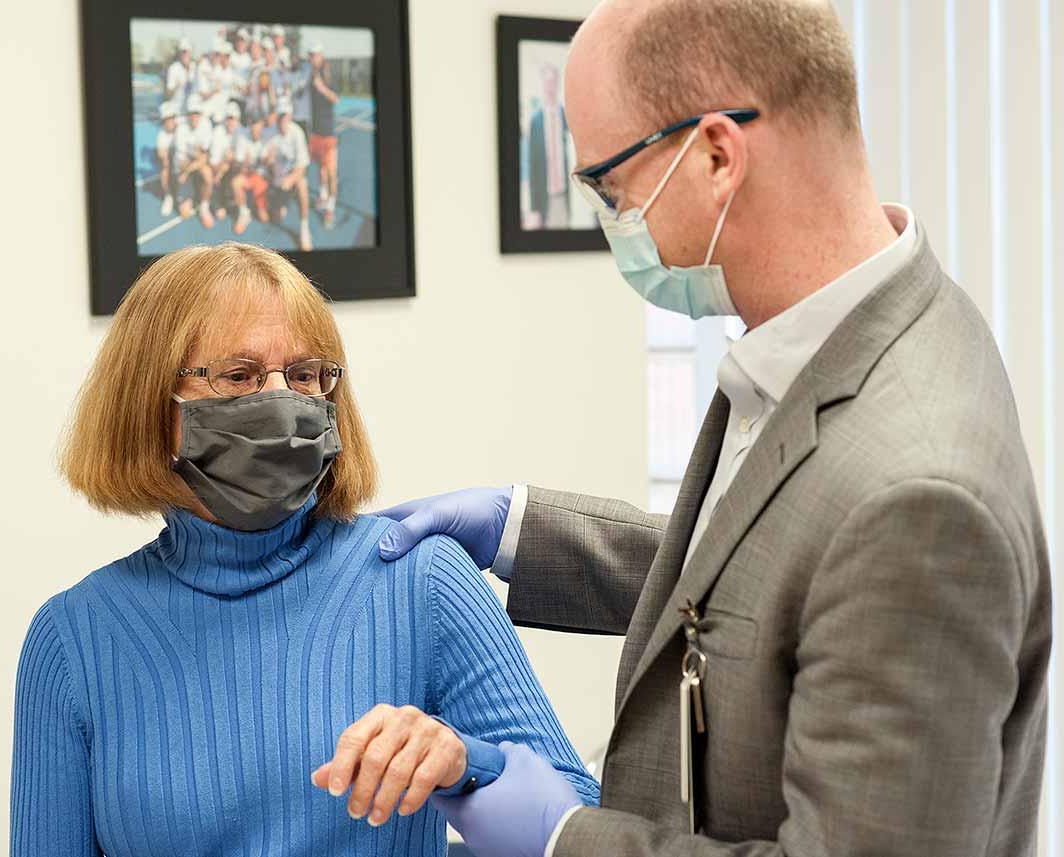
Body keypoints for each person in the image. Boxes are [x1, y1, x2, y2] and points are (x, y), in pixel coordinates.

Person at [369, 1, 1052, 856]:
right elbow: (765, 578)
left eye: (610, 187)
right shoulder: (840, 327)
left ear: (718, 155)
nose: (611, 220)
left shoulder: (920, 495)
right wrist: (520, 527)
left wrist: (563, 837)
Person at [9, 243, 599, 857]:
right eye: (239, 375)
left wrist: (466, 765)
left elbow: (586, 825)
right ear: (153, 407)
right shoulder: (74, 638)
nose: (283, 404)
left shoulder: (420, 579)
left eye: (305, 376)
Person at [525, 62, 571, 230]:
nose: (550, 86)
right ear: (542, 84)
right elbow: (533, 167)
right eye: (547, 82)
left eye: (553, 82)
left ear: (558, 84)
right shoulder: (535, 121)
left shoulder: (567, 116)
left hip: (565, 194)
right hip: (545, 195)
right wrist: (534, 208)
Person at [265, 97, 314, 251]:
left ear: (290, 116)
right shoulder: (270, 133)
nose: (283, 119)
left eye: (285, 116)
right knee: (275, 218)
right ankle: (281, 203)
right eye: (280, 116)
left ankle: (304, 226)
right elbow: (264, 162)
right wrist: (268, 160)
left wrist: (291, 179)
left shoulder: (297, 133)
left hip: (292, 178)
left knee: (302, 185)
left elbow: (303, 165)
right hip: (277, 180)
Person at [308, 44, 340, 229]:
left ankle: (330, 209)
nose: (313, 58)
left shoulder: (328, 75)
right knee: (320, 168)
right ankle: (322, 196)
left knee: (331, 173)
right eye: (311, 55)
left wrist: (322, 89)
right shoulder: (311, 74)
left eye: (315, 55)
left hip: (328, 134)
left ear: (321, 56)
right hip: (315, 133)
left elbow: (336, 99)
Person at [173, 94, 215, 229]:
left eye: (197, 113)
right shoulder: (181, 128)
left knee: (208, 177)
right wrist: (187, 169)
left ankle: (204, 206)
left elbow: (204, 157)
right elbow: (181, 158)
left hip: (196, 163)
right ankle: (188, 193)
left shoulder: (206, 125)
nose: (194, 117)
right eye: (192, 113)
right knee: (184, 213)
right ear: (187, 114)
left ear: (201, 114)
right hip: (185, 163)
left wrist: (185, 173)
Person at [232, 115, 274, 234]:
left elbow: (267, 165)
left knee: (264, 218)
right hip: (248, 174)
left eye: (258, 130)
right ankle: (244, 212)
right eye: (253, 130)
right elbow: (240, 168)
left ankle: (262, 206)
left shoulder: (267, 139)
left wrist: (267, 161)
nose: (256, 133)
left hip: (261, 177)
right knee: (236, 182)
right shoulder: (242, 139)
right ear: (250, 128)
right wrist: (245, 165)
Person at [208, 101, 244, 221]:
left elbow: (240, 160)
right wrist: (224, 163)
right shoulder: (218, 131)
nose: (231, 122)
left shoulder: (242, 132)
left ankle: (241, 205)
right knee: (213, 173)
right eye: (228, 118)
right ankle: (219, 201)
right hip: (221, 167)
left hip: (236, 168)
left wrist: (227, 162)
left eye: (233, 119)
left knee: (235, 176)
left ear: (238, 120)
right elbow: (214, 161)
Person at [156, 102, 179, 217]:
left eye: (171, 118)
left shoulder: (183, 128)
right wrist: (166, 160)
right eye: (166, 119)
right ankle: (168, 196)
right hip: (173, 159)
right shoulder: (162, 134)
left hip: (185, 160)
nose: (169, 122)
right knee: (164, 170)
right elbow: (161, 153)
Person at [164, 38, 197, 112]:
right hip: (177, 108)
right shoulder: (173, 68)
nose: (184, 54)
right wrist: (176, 86)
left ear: (190, 52)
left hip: (192, 109)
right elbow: (167, 95)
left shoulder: (195, 67)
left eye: (186, 51)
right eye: (182, 52)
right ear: (179, 53)